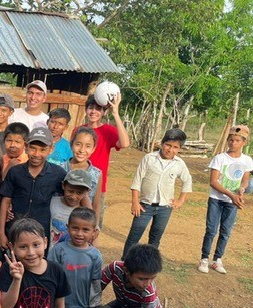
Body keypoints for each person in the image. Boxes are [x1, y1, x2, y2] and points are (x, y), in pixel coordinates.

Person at [123, 128, 192, 259]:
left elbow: (187, 180)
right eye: (168, 145)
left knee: (155, 238)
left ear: (179, 149)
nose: (170, 150)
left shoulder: (179, 164)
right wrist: (135, 202)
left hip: (165, 208)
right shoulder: (149, 158)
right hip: (144, 206)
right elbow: (137, 180)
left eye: (175, 147)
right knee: (134, 236)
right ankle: (124, 263)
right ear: (162, 143)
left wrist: (180, 200)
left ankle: (148, 267)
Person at [0, 125, 66, 249]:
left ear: (51, 149)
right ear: (26, 147)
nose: (36, 154)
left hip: (42, 234)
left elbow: (69, 198)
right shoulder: (15, 172)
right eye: (33, 148)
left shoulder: (58, 174)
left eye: (42, 149)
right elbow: (5, 201)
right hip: (14, 231)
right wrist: (1, 232)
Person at [198, 124, 252, 274]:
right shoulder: (219, 158)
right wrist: (231, 195)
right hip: (216, 199)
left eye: (237, 141)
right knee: (211, 230)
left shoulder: (247, 160)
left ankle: (217, 259)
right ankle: (204, 258)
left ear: (244, 143)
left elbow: (245, 180)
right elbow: (213, 182)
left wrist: (241, 190)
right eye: (231, 140)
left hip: (232, 202)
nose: (233, 143)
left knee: (226, 231)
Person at [48, 208, 103, 308]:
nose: (79, 233)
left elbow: (96, 285)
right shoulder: (58, 250)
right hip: (57, 306)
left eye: (85, 230)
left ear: (94, 232)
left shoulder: (95, 256)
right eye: (75, 228)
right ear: (67, 227)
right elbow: (50, 277)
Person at [101, 243, 164, 308]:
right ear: (126, 271)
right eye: (142, 279)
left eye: (152, 278)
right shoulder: (115, 268)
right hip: (122, 306)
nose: (147, 283)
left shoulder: (148, 292)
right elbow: (97, 288)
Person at [81, 93, 130, 226]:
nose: (93, 112)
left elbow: (125, 144)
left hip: (97, 186)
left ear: (104, 112)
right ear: (86, 110)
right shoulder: (78, 130)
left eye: (98, 109)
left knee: (94, 224)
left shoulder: (108, 130)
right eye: (91, 108)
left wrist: (116, 113)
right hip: (78, 183)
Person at [64, 127, 102, 223]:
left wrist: (95, 226)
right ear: (71, 145)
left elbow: (96, 203)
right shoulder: (60, 169)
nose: (82, 150)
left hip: (83, 224)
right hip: (59, 220)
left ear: (94, 149)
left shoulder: (96, 174)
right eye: (78, 144)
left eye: (88, 146)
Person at [48, 170, 94, 251]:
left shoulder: (84, 213)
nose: (73, 196)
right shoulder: (52, 202)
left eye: (79, 193)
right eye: (70, 191)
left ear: (86, 192)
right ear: (63, 186)